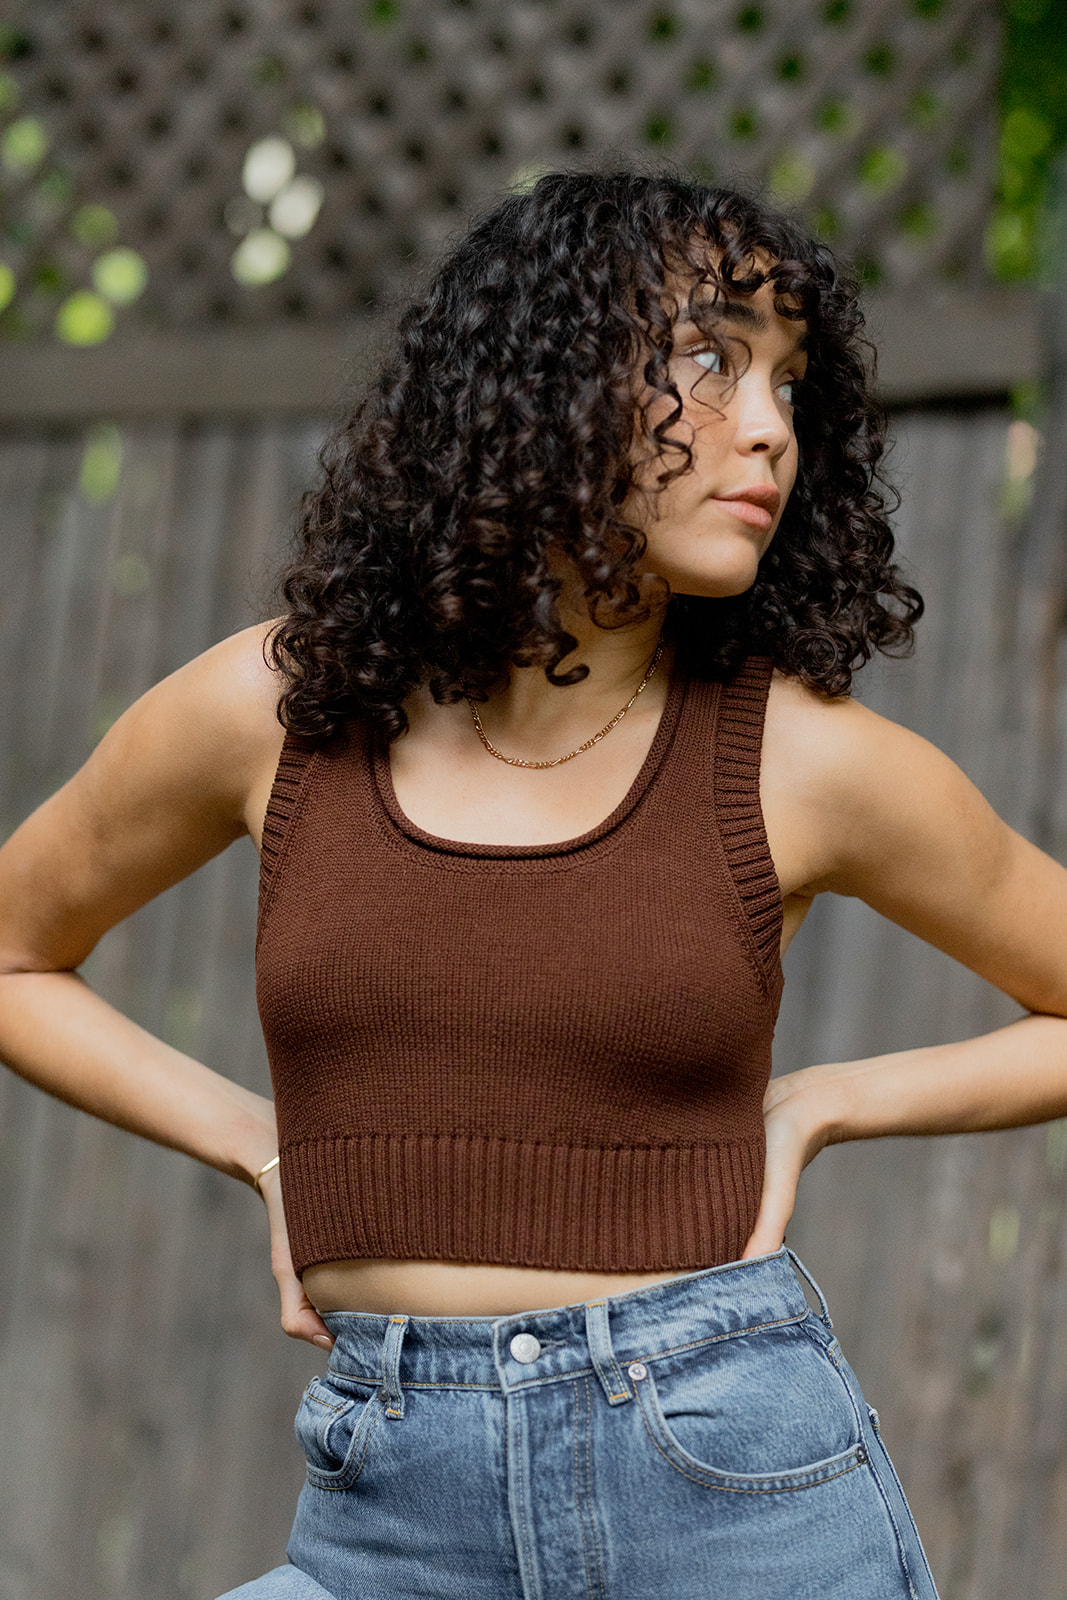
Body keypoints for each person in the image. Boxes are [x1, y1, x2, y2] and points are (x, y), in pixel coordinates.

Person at [2, 169, 1066, 1600]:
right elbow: (15, 953)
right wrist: (265, 1148)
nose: (769, 426)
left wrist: (828, 1100)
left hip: (730, 1492)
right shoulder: (279, 710)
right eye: (711, 359)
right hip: (389, 1502)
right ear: (541, 383)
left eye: (789, 382)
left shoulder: (806, 762)